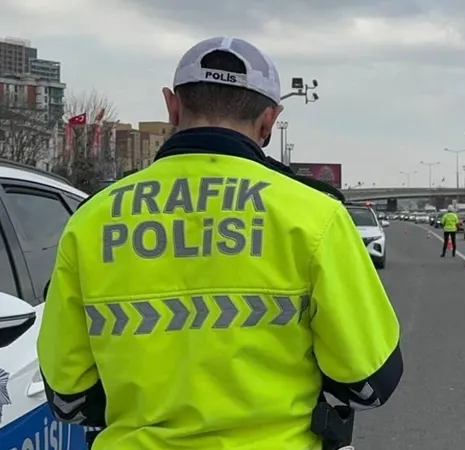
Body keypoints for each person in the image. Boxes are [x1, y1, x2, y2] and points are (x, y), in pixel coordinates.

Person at [37, 36, 403, 450]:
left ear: (172, 106)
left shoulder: (92, 220)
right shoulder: (314, 215)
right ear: (269, 120)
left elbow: (68, 396)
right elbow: (371, 380)